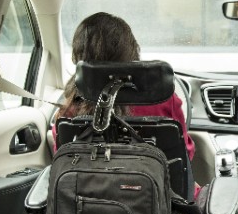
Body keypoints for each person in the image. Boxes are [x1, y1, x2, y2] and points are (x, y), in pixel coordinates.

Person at [55, 12, 196, 166]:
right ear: (132, 52)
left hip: (85, 189)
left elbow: (61, 159)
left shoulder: (68, 110)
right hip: (154, 189)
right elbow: (185, 154)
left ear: (79, 57)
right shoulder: (163, 99)